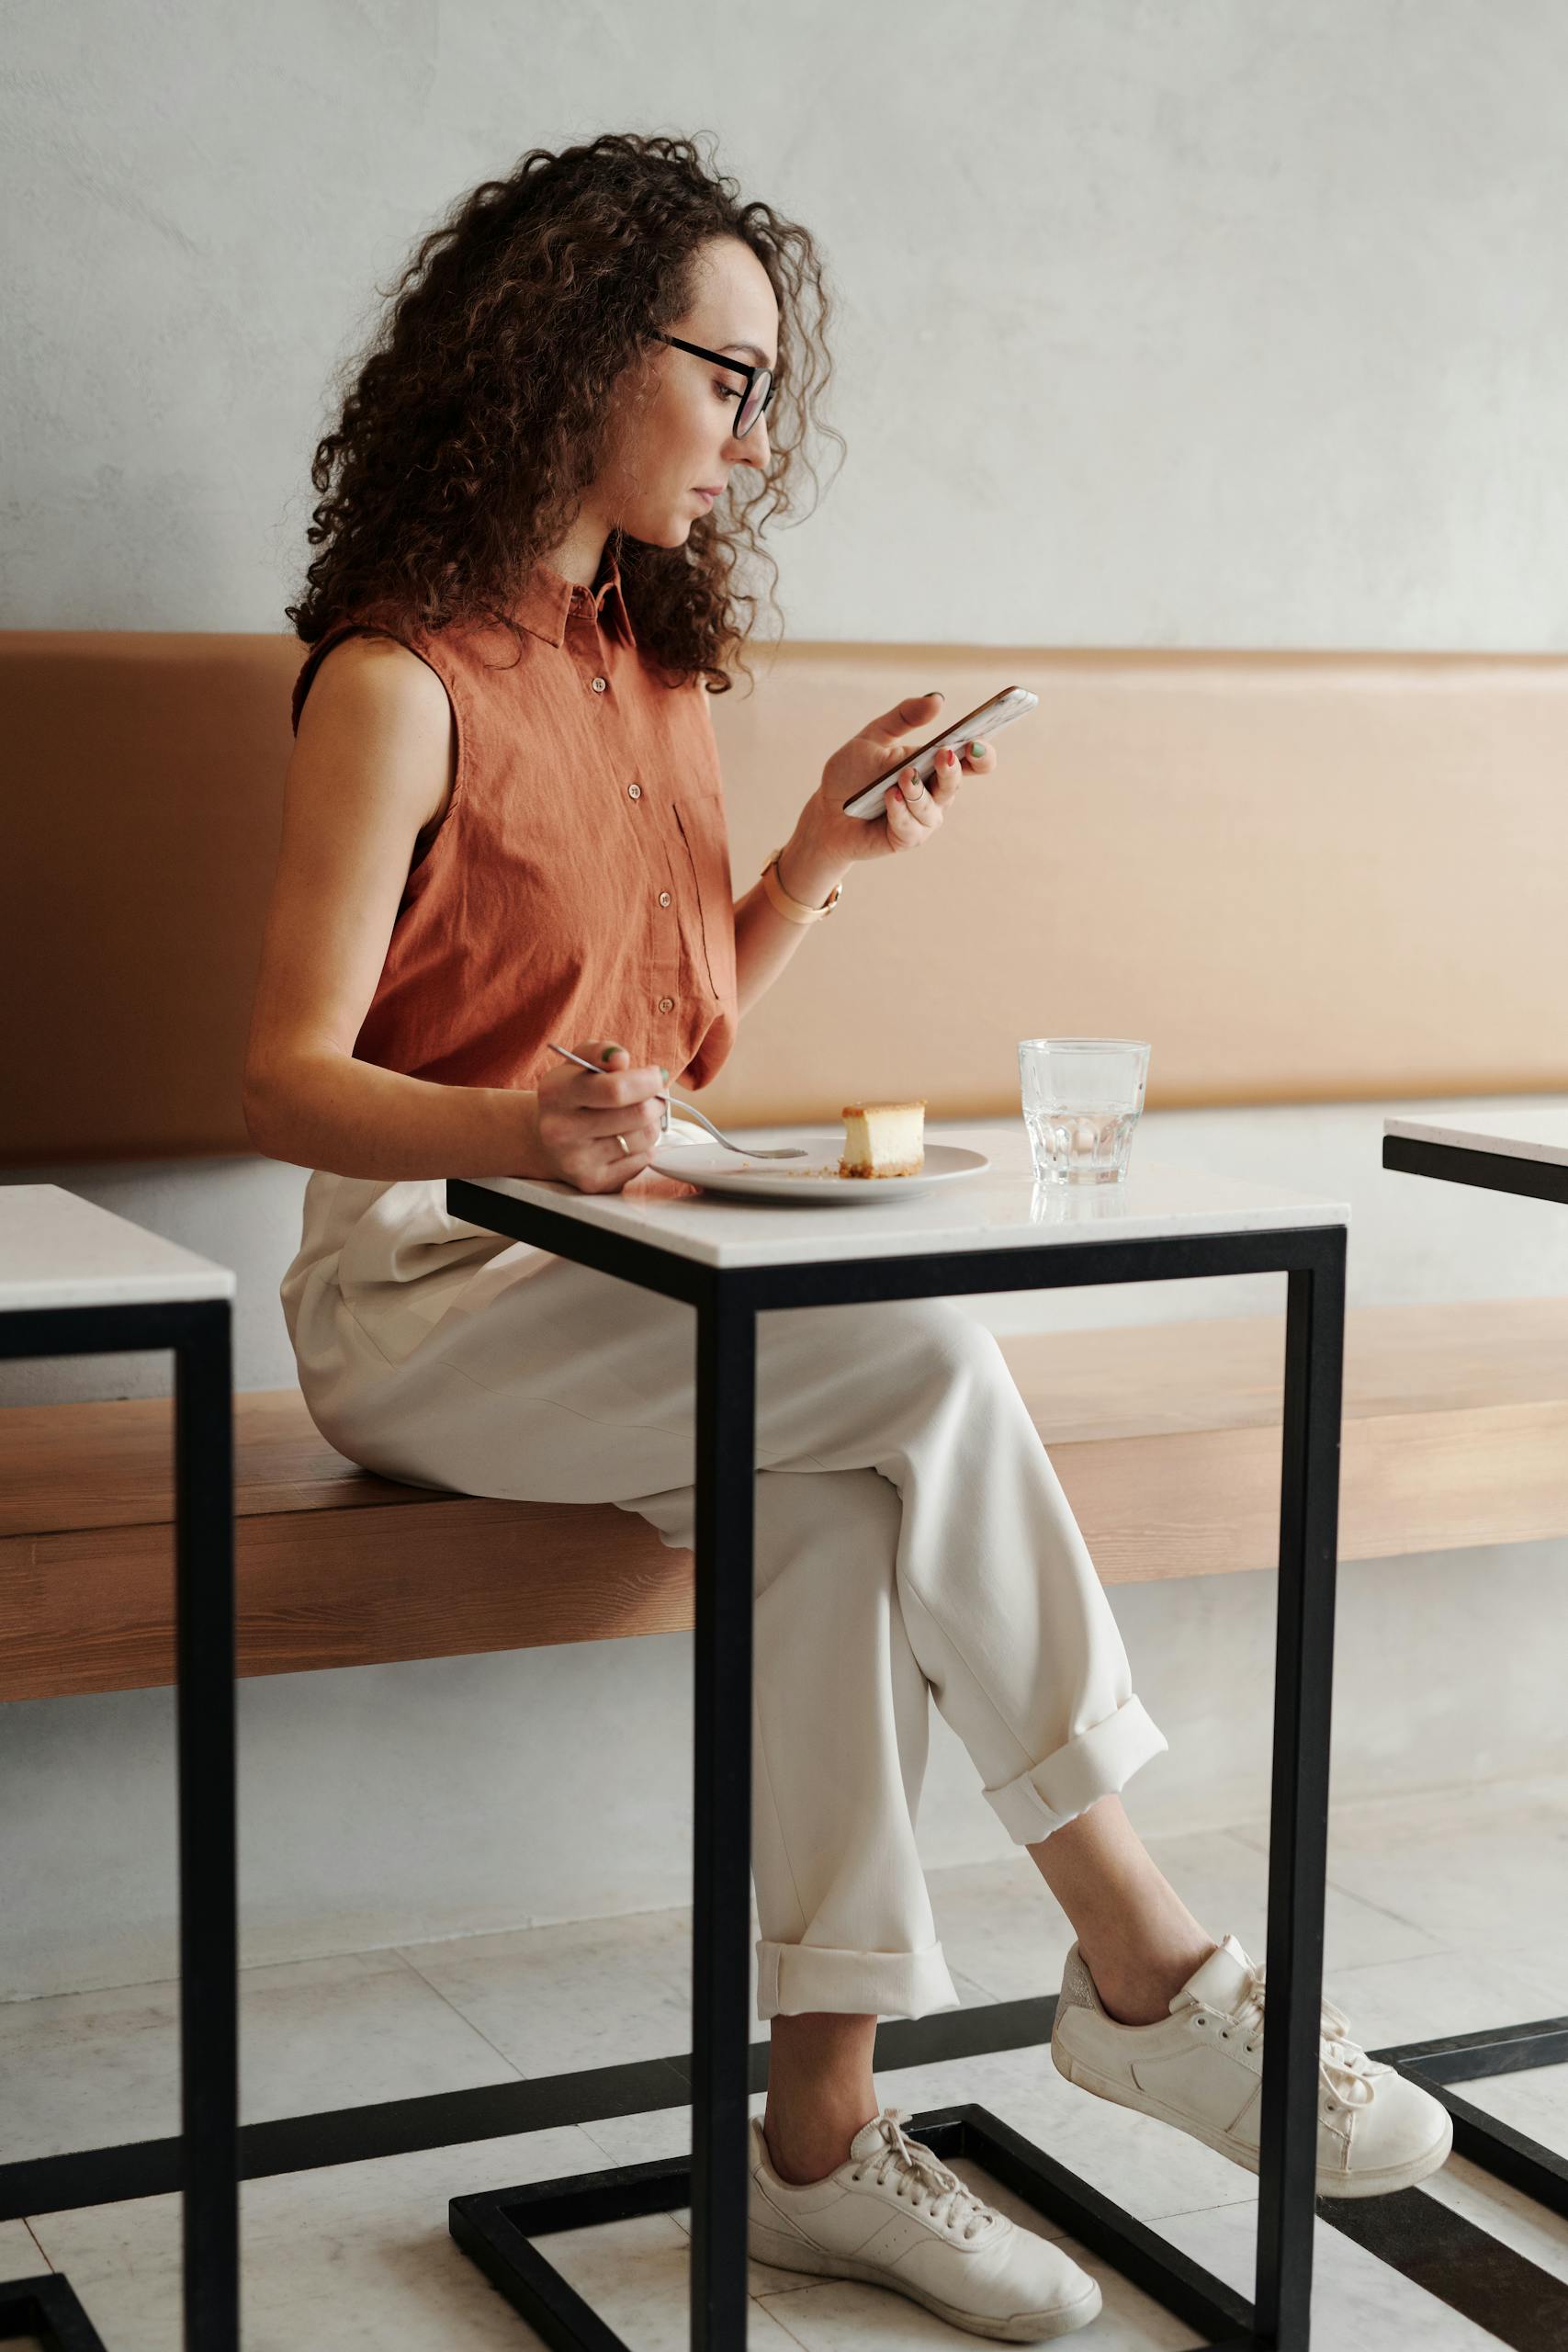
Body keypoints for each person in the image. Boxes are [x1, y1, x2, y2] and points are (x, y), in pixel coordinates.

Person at [245, 131, 1450, 2344]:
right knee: (907, 1357)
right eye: (728, 373)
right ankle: (1147, 1959)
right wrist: (521, 1120)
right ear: (581, 357)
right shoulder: (393, 680)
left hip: (643, 1268)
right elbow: (281, 1072)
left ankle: (810, 2148)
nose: (753, 432)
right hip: (424, 1295)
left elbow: (681, 1026)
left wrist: (810, 853)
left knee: (822, 1508)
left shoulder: (651, 670)